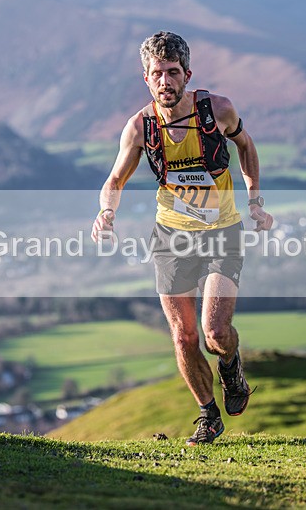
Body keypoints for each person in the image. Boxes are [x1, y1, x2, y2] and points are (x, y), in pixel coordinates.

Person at [90, 31, 273, 446]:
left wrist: (255, 201)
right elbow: (114, 179)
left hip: (222, 234)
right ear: (146, 78)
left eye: (173, 72)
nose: (166, 82)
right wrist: (106, 212)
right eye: (158, 74)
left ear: (187, 74)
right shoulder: (140, 127)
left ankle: (231, 367)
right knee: (183, 335)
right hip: (171, 237)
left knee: (214, 331)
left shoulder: (218, 110)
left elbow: (246, 147)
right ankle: (208, 415)